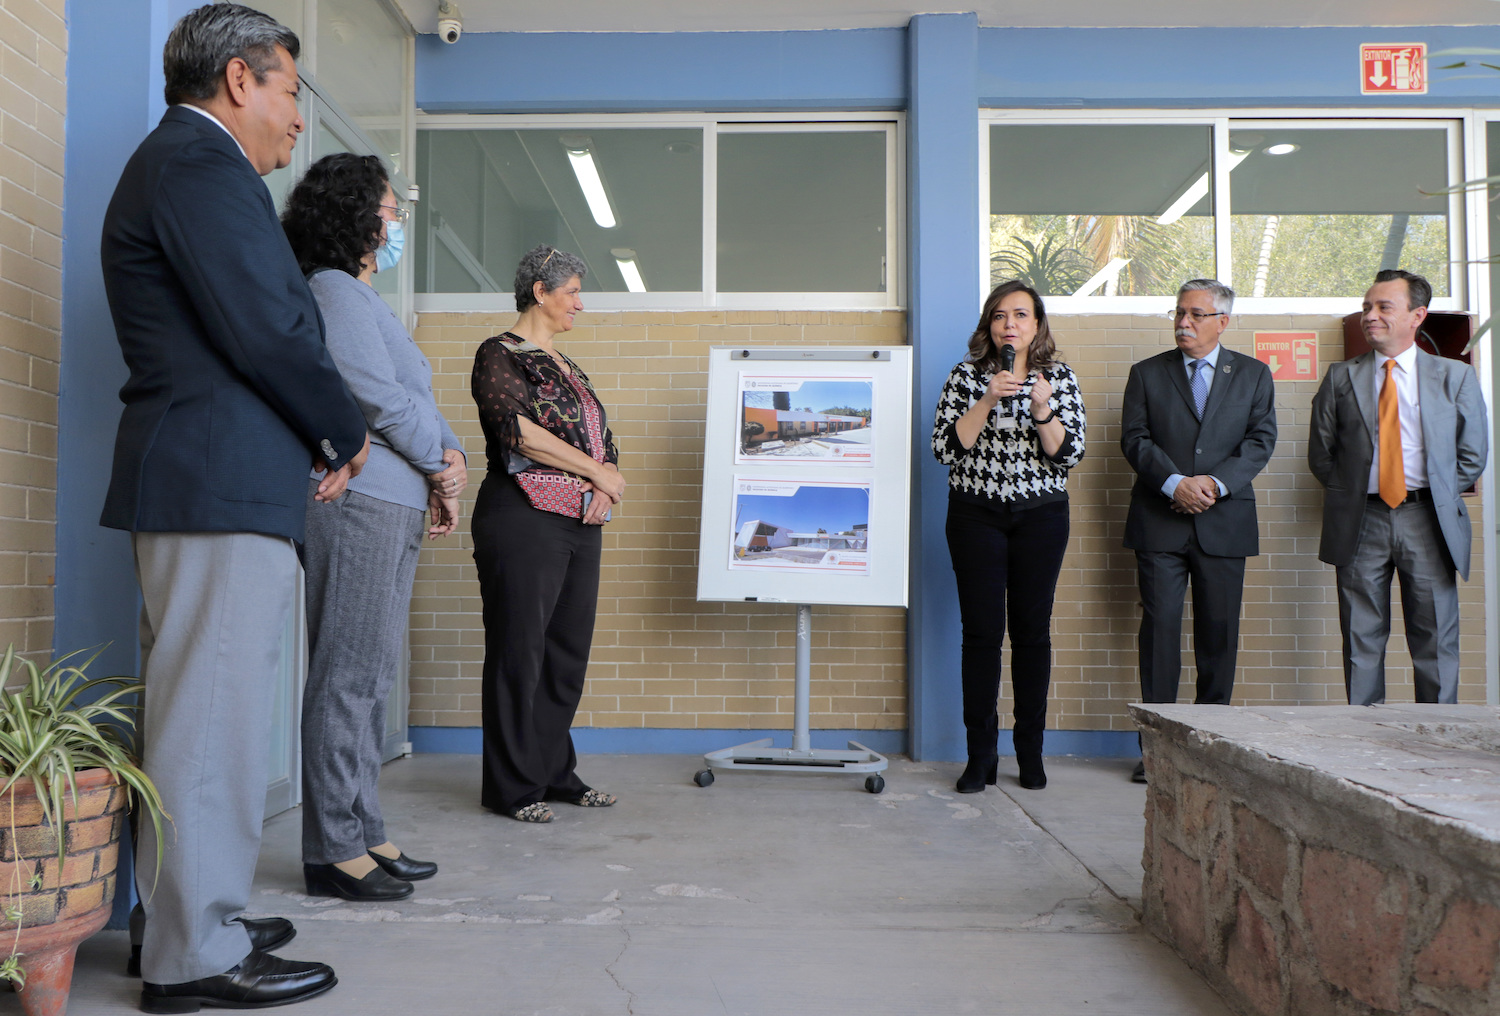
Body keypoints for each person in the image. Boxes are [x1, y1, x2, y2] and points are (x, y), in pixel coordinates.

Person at [99, 5, 369, 1010]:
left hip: (212, 480)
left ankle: (179, 919)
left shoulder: (188, 166)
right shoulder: (199, 165)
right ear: (240, 81)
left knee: (196, 718)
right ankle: (194, 955)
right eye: (291, 92)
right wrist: (343, 429)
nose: (298, 118)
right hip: (215, 483)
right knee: (210, 721)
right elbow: (266, 327)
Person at [280, 154, 467, 901]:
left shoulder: (365, 298)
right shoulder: (333, 290)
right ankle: (332, 849)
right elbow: (376, 398)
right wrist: (438, 465)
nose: (396, 223)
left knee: (372, 676)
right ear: (355, 215)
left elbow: (415, 399)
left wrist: (450, 459)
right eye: (392, 210)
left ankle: (365, 829)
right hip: (359, 503)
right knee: (347, 675)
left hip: (395, 499)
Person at [470, 245, 626, 823]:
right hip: (522, 517)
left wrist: (606, 482)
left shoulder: (568, 366)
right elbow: (518, 433)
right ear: (540, 292)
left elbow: (601, 440)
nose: (580, 304)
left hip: (580, 521)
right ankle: (513, 788)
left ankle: (554, 773)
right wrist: (596, 473)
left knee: (566, 654)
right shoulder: (499, 353)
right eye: (573, 292)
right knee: (520, 651)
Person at [931, 280, 1086, 793]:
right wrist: (986, 399)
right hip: (975, 516)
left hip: (1041, 517)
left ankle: (1030, 753)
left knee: (1032, 633)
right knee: (980, 635)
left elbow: (1068, 455)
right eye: (1000, 316)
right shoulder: (964, 377)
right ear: (989, 327)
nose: (1010, 324)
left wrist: (1042, 411)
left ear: (1037, 325)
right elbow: (945, 450)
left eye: (1020, 315)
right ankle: (980, 757)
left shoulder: (1058, 378)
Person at [1120, 280, 1276, 784]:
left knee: (1218, 635)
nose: (1183, 322)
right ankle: (1157, 752)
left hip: (1224, 522)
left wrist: (1212, 484)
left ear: (1222, 322)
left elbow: (1260, 441)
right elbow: (1135, 439)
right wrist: (1175, 483)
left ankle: (1209, 753)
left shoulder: (1253, 374)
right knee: (1160, 633)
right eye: (1179, 313)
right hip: (1159, 521)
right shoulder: (1147, 373)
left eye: (1196, 314)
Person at [1308, 269, 1488, 706]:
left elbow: (1472, 455)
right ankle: (1366, 735)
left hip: (1428, 519)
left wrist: (1437, 493)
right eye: (1367, 307)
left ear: (1417, 315)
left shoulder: (1454, 376)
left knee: (1435, 639)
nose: (1370, 315)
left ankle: (1437, 735)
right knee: (1361, 639)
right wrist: (1353, 492)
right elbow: (1321, 454)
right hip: (1360, 520)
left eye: (1383, 307)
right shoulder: (1340, 377)